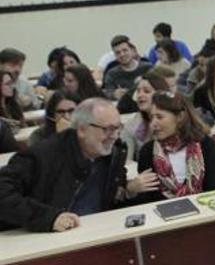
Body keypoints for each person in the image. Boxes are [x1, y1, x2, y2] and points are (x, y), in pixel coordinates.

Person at [0, 98, 154, 232]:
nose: (114, 136)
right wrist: (49, 218)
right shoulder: (43, 155)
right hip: (47, 238)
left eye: (118, 128)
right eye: (107, 129)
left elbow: (114, 192)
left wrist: (128, 190)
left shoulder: (115, 152)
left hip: (97, 231)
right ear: (82, 129)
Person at [134, 91, 215, 203]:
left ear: (180, 117)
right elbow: (148, 198)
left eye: (159, 117)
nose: (153, 124)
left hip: (204, 211)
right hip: (163, 216)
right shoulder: (147, 152)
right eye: (151, 118)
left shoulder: (207, 146)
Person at [121, 69, 173, 160]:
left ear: (160, 93)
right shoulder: (131, 125)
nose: (140, 95)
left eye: (146, 91)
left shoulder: (175, 120)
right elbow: (126, 162)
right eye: (138, 91)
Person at [103, 35, 152, 99]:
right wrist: (114, 94)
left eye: (125, 50)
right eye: (118, 53)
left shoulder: (148, 68)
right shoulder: (111, 74)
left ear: (132, 50)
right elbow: (107, 92)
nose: (122, 54)